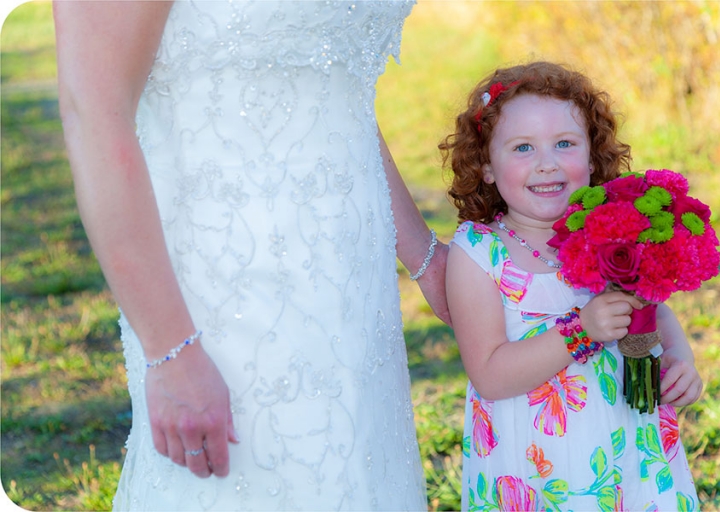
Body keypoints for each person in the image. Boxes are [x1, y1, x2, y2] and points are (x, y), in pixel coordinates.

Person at [53, 1, 450, 510]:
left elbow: (331, 93)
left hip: (354, 301)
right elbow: (93, 110)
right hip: (220, 299)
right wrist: (170, 350)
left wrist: (426, 259)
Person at [441, 61, 701, 511]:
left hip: (630, 449)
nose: (546, 163)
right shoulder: (479, 252)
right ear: (486, 165)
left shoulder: (611, 226)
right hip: (536, 465)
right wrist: (582, 329)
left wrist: (679, 358)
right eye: (523, 148)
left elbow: (653, 309)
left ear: (591, 154)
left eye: (564, 143)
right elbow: (490, 373)